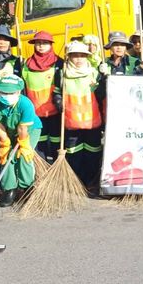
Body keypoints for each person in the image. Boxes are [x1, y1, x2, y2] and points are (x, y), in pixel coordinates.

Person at [0, 75, 42, 207]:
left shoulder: (26, 104)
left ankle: (26, 187)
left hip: (29, 130)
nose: (7, 95)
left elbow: (23, 128)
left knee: (24, 156)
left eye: (11, 93)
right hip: (6, 130)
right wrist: (5, 143)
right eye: (3, 92)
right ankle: (9, 189)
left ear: (19, 91)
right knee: (6, 156)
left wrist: (24, 144)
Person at [54, 41, 105, 187]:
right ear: (69, 57)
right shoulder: (62, 73)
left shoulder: (94, 72)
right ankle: (76, 181)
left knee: (93, 152)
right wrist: (58, 100)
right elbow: (56, 92)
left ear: (87, 56)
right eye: (75, 55)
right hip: (71, 121)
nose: (78, 59)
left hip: (92, 120)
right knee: (73, 153)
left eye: (82, 55)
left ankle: (91, 181)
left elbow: (101, 95)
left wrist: (104, 78)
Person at [21, 30, 63, 162]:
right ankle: (42, 167)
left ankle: (57, 166)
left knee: (57, 141)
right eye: (38, 43)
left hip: (55, 111)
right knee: (39, 142)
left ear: (51, 45)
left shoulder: (59, 63)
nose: (41, 46)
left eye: (45, 43)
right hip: (34, 112)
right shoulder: (26, 64)